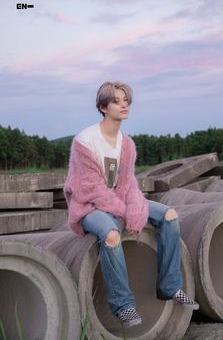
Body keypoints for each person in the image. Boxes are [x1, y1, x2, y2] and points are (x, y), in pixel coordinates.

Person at [64, 81, 199, 329]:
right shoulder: (85, 141)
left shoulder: (126, 144)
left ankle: (170, 285)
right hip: (89, 206)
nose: (124, 104)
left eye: (126, 99)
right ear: (103, 107)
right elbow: (90, 188)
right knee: (112, 235)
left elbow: (127, 184)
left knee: (169, 215)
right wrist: (126, 212)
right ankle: (123, 306)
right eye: (116, 100)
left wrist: (135, 207)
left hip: (118, 200)